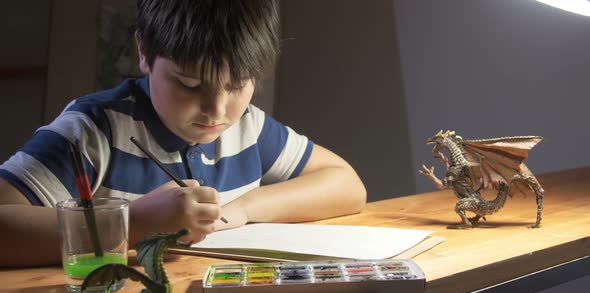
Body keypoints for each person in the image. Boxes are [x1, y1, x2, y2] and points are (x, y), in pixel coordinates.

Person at [0, 0, 366, 267]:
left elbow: (345, 184)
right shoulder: (93, 130)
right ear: (144, 51)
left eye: (238, 85)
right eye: (190, 84)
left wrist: (242, 209)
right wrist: (136, 223)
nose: (217, 111)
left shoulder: (248, 127)